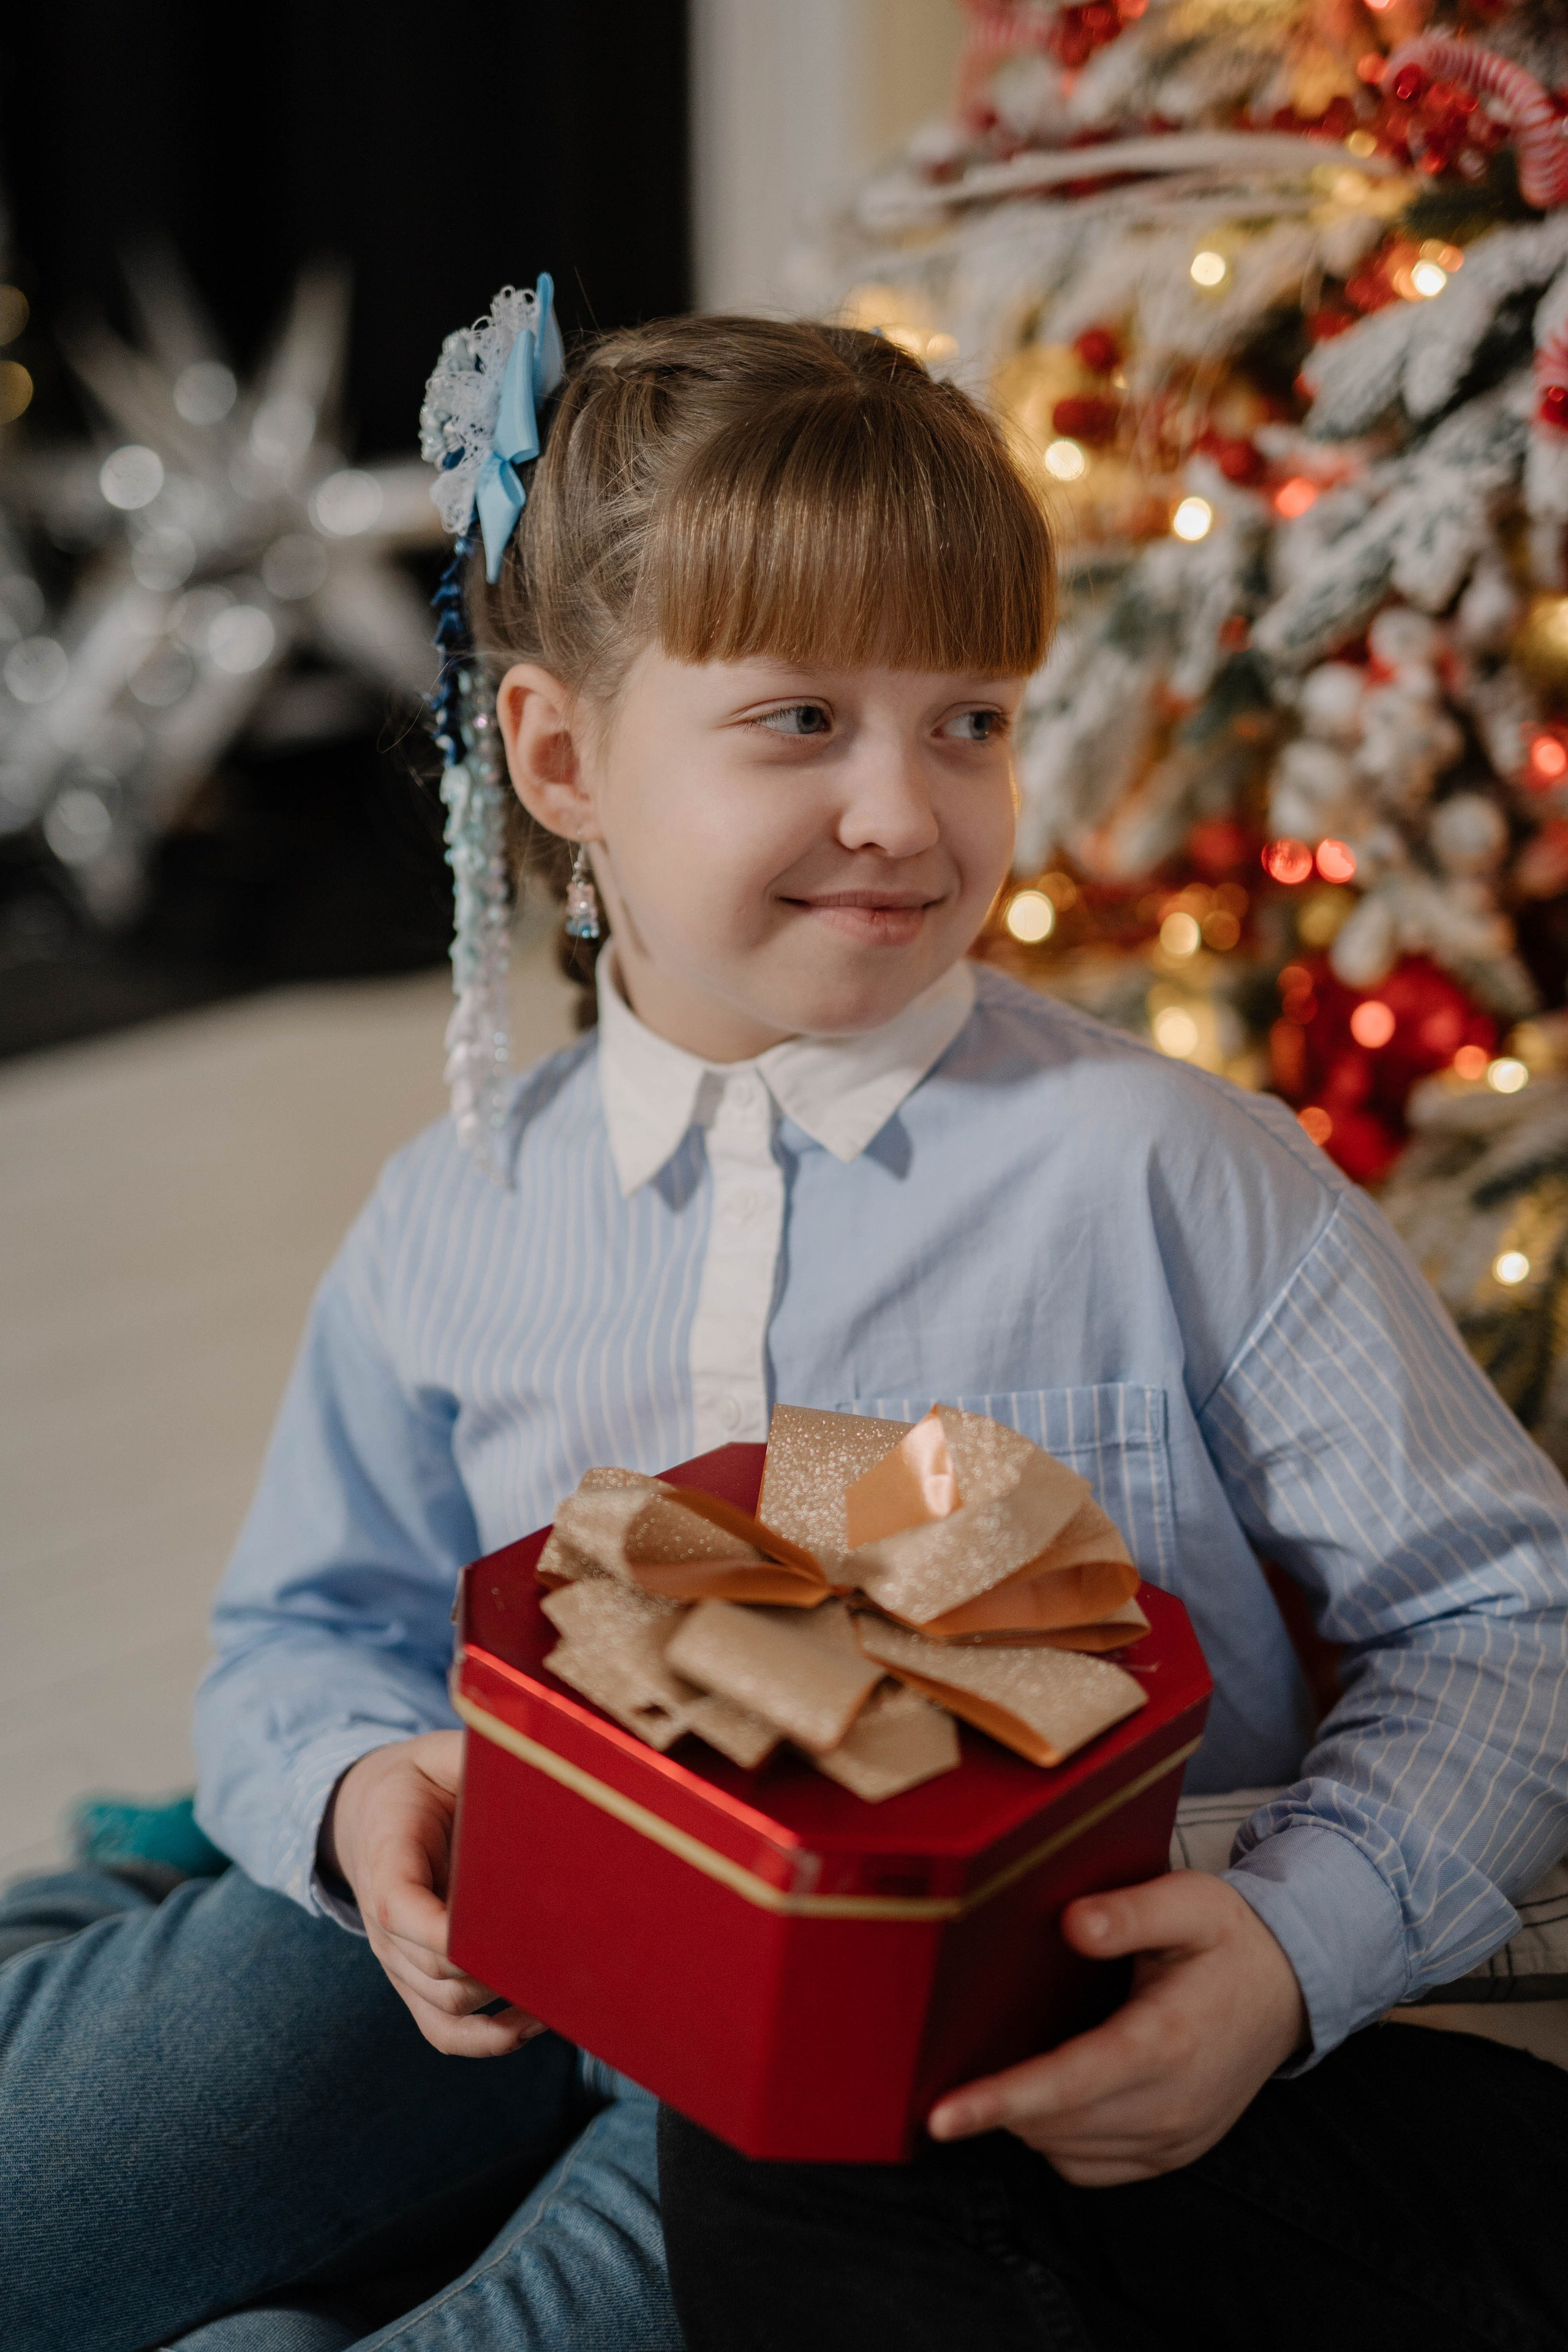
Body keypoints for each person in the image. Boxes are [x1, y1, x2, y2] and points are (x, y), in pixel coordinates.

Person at [3, 282, 1567, 2352]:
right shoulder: (456, 1215)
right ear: (563, 754)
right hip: (492, 1948)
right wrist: (353, 1802)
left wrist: (1293, 1950)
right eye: (802, 720)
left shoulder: (1167, 1173)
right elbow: (304, 1631)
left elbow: (1509, 1616)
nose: (907, 812)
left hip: (878, 2093)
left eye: (970, 721)